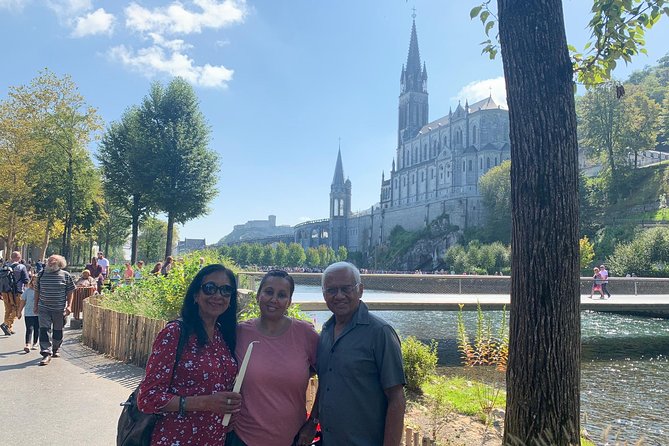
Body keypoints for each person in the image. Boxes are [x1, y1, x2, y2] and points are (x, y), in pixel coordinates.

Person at [137, 264, 241, 446]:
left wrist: (228, 413)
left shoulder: (222, 335)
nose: (218, 296)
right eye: (210, 288)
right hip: (176, 439)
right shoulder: (175, 333)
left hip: (214, 439)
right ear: (195, 295)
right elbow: (148, 397)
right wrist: (206, 403)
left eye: (226, 290)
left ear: (231, 298)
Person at [315, 262, 406, 445]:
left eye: (346, 289)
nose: (339, 296)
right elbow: (326, 385)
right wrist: (312, 422)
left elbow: (397, 398)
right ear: (324, 294)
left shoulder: (380, 333)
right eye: (332, 290)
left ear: (360, 290)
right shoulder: (325, 332)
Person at [228, 270, 319, 446]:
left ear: (289, 302)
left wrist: (313, 422)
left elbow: (329, 376)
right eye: (269, 292)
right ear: (258, 295)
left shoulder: (306, 334)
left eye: (282, 295)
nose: (274, 299)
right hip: (242, 438)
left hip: (293, 438)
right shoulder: (239, 333)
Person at [34, 254, 75, 366]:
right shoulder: (41, 275)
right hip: (44, 308)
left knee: (58, 331)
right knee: (44, 330)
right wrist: (35, 305)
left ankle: (56, 348)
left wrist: (69, 306)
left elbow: (71, 291)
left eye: (53, 261)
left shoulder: (65, 275)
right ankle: (46, 353)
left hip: (59, 308)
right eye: (49, 261)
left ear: (59, 263)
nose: (50, 263)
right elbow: (37, 291)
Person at [1, 251, 30, 336]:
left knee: (8, 309)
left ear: (11, 257)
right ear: (19, 258)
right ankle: (6, 324)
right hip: (17, 291)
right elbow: (26, 280)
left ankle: (9, 328)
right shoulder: (21, 267)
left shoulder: (4, 266)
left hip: (5, 291)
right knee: (17, 309)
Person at [18, 275, 39, 353]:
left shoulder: (42, 291)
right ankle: (28, 344)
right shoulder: (27, 291)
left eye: (37, 281)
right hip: (28, 313)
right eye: (34, 280)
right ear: (31, 281)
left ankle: (35, 343)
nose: (35, 282)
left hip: (38, 313)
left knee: (37, 329)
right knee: (29, 329)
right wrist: (19, 311)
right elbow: (22, 301)